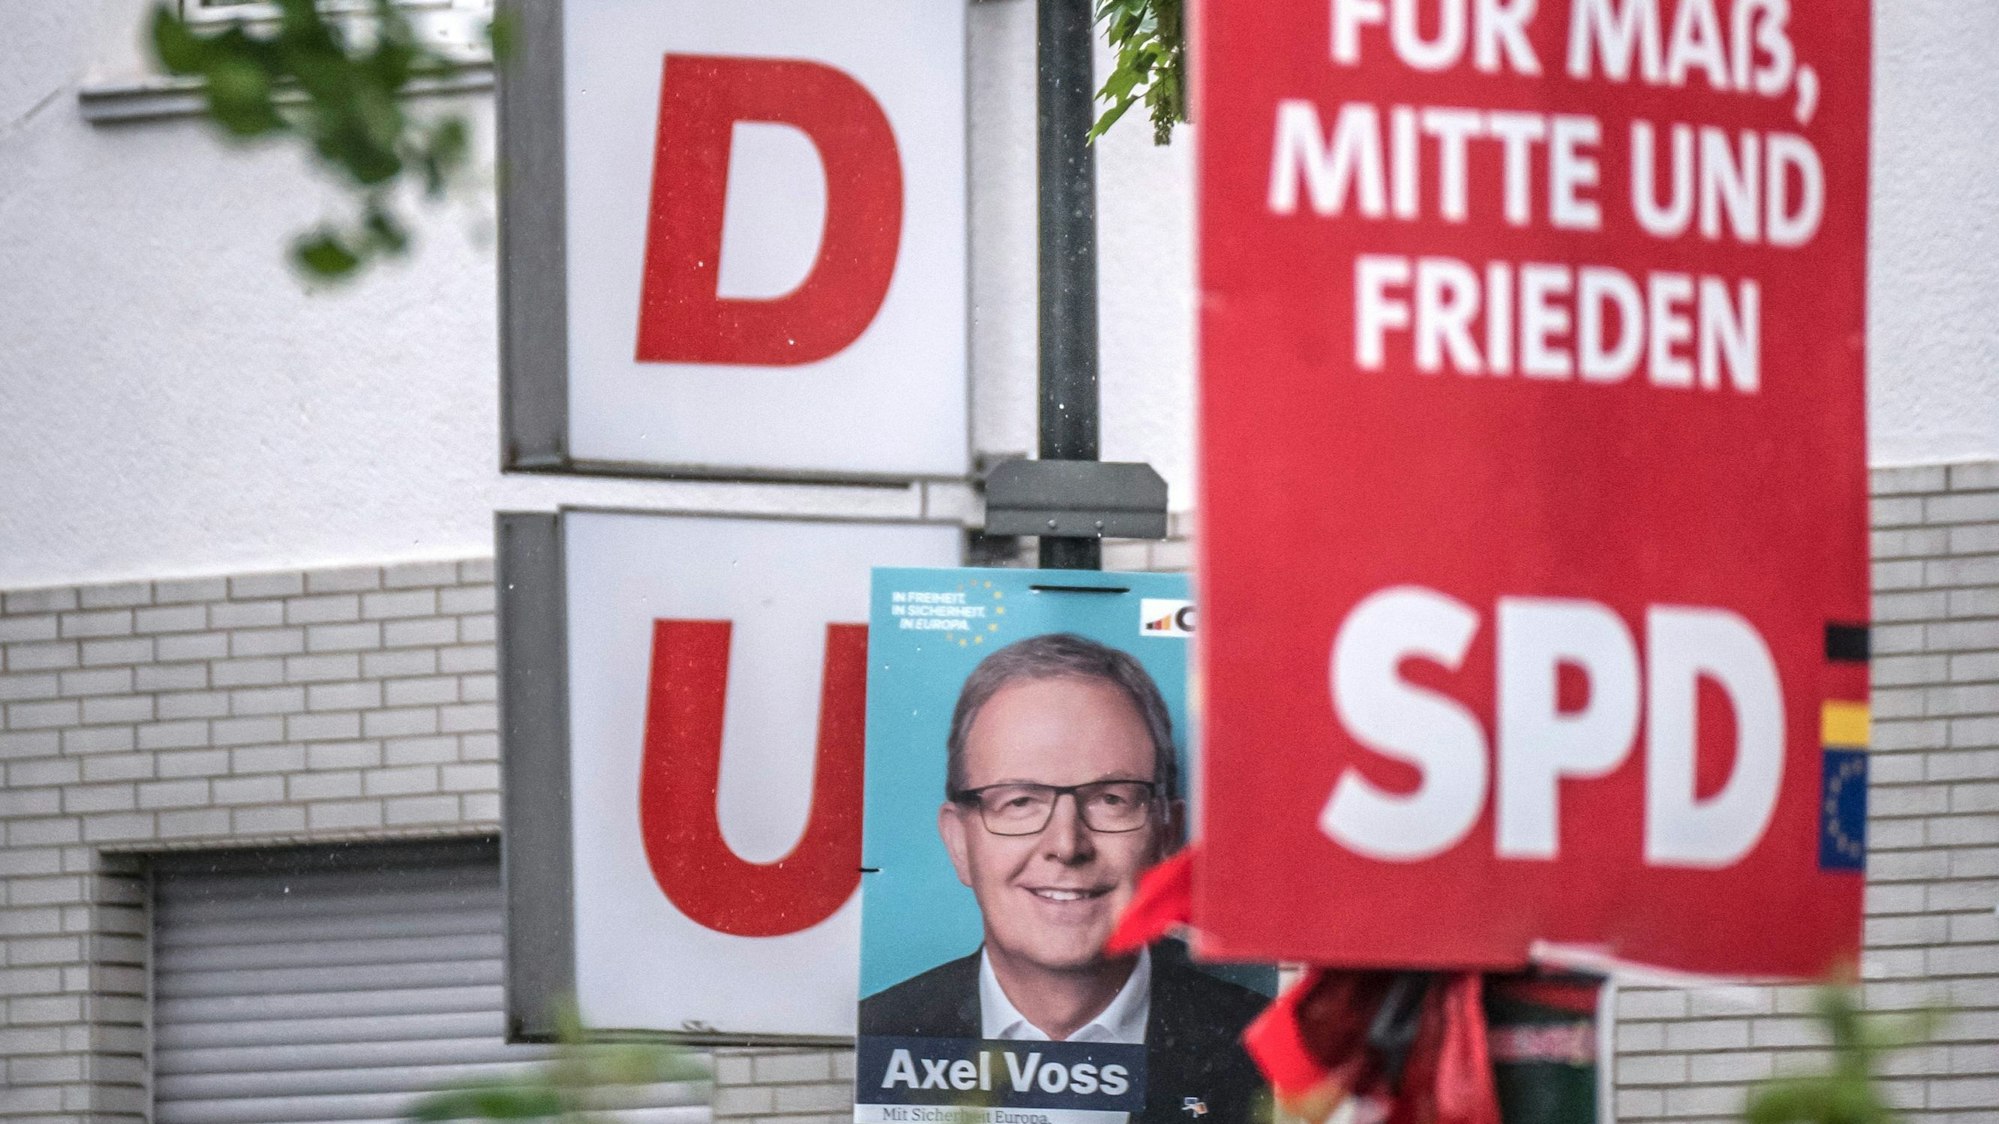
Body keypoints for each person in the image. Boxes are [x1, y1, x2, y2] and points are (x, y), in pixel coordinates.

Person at [860, 633, 1269, 1123]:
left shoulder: (1264, 1049)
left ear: (1167, 837)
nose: (1067, 845)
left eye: (1111, 799)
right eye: (1019, 801)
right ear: (959, 843)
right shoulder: (882, 1031)